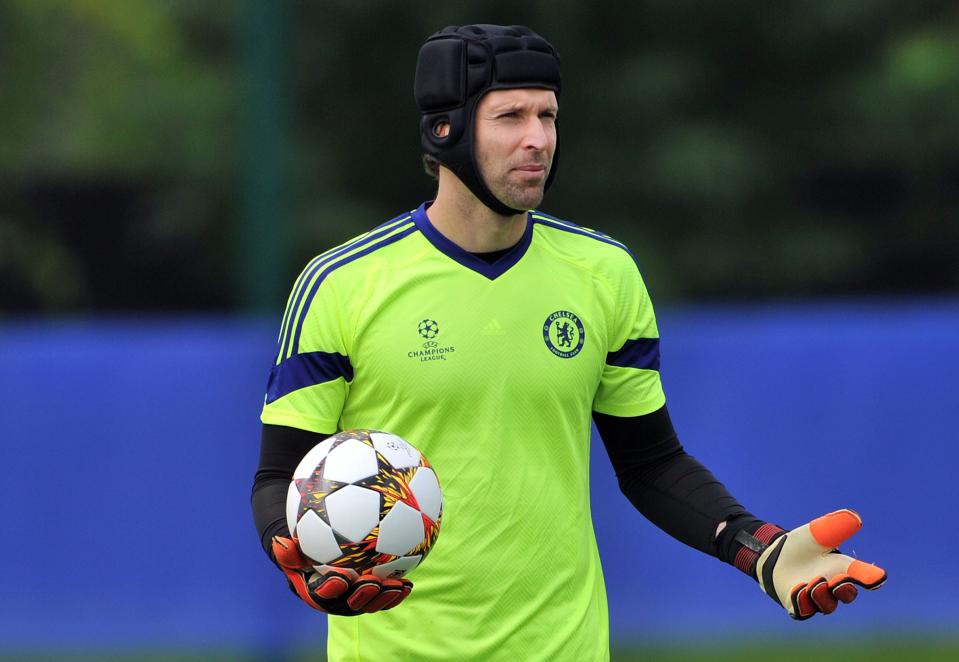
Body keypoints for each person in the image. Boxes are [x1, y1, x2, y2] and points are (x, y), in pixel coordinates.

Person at [252, 24, 886, 661]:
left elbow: (652, 465)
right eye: (511, 116)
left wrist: (758, 549)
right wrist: (305, 564)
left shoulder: (604, 274)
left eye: (548, 115)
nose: (538, 139)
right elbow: (281, 478)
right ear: (444, 131)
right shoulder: (342, 284)